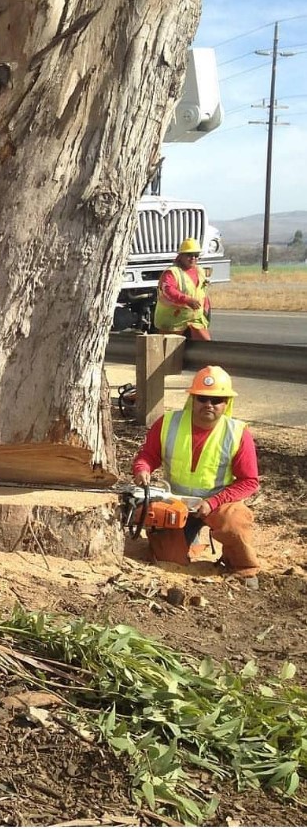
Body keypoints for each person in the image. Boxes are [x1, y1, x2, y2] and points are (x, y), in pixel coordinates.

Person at [131, 365, 261, 584]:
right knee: (167, 558)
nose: (209, 404)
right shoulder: (167, 423)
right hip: (176, 503)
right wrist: (142, 469)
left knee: (235, 521)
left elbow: (249, 481)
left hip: (218, 503)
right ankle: (189, 541)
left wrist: (213, 502)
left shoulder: (238, 433)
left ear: (227, 403)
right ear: (192, 399)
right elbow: (148, 455)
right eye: (202, 398)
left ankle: (243, 567)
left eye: (216, 400)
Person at [153, 237, 212, 340]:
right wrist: (187, 300)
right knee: (171, 349)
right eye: (189, 255)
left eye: (196, 255)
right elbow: (168, 290)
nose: (193, 258)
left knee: (206, 346)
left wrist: (206, 307)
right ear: (180, 256)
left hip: (195, 320)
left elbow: (202, 292)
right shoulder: (172, 272)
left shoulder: (200, 271)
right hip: (173, 322)